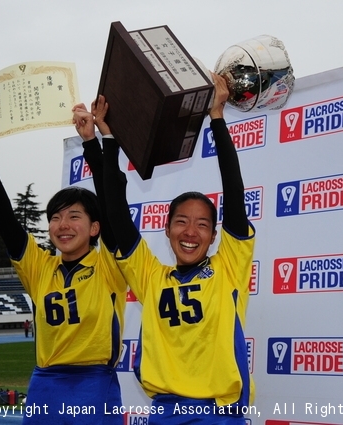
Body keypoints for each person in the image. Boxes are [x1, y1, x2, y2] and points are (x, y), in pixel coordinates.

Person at [100, 74, 256, 424]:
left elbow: (234, 193)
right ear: (167, 228)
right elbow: (115, 213)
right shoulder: (152, 277)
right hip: (165, 414)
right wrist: (108, 139)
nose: (191, 232)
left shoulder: (229, 266)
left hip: (219, 415)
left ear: (214, 235)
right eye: (181, 221)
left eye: (202, 224)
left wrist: (217, 116)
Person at [0, 113, 127, 425]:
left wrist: (91, 144)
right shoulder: (41, 267)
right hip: (45, 387)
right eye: (55, 217)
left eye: (73, 217)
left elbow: (111, 205)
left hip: (94, 386)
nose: (62, 225)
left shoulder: (110, 264)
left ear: (95, 227)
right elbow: (6, 222)